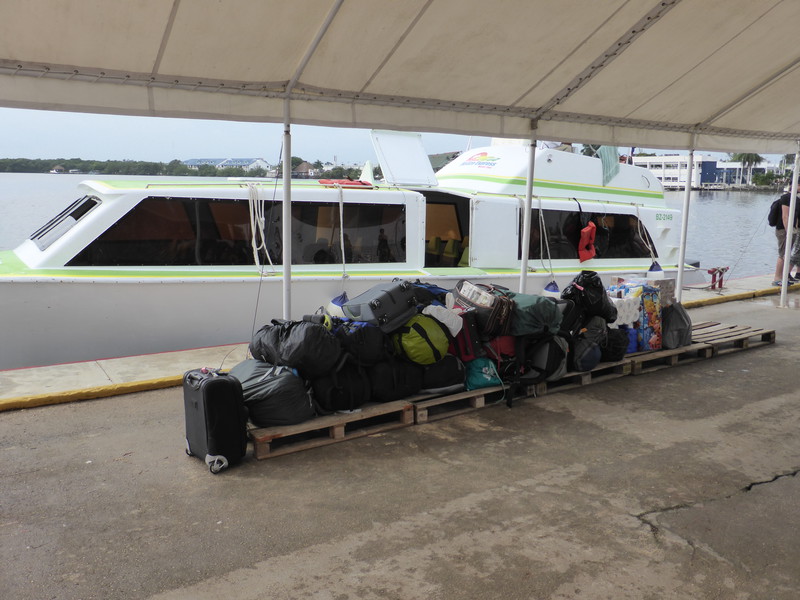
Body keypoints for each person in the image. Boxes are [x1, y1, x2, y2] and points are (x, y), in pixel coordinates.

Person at [772, 189, 800, 286]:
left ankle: (783, 277)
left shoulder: (796, 199)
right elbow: (785, 216)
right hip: (783, 230)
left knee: (786, 253)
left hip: (792, 229)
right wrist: (789, 232)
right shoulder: (786, 198)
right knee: (783, 254)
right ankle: (777, 278)